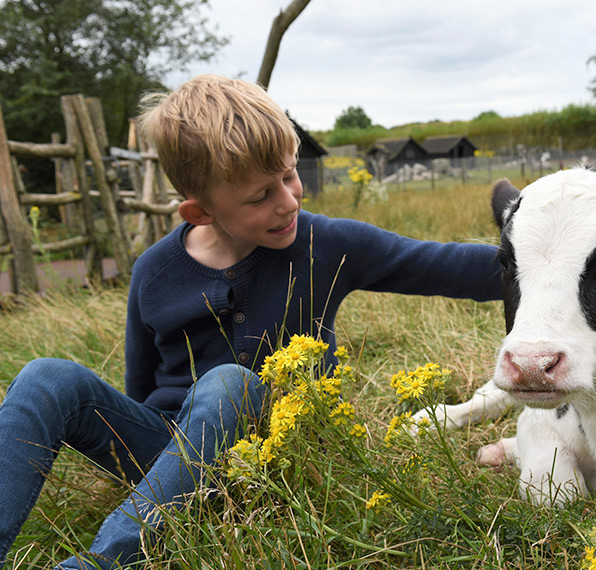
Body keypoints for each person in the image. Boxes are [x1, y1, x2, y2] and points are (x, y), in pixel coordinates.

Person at [0, 74, 502, 569]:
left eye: (289, 175)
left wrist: (552, 253)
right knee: (46, 378)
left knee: (230, 384)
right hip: (170, 461)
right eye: (260, 196)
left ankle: (102, 563)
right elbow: (140, 390)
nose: (287, 201)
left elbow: (444, 264)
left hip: (281, 460)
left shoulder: (325, 244)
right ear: (198, 212)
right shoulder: (154, 271)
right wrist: (162, 470)